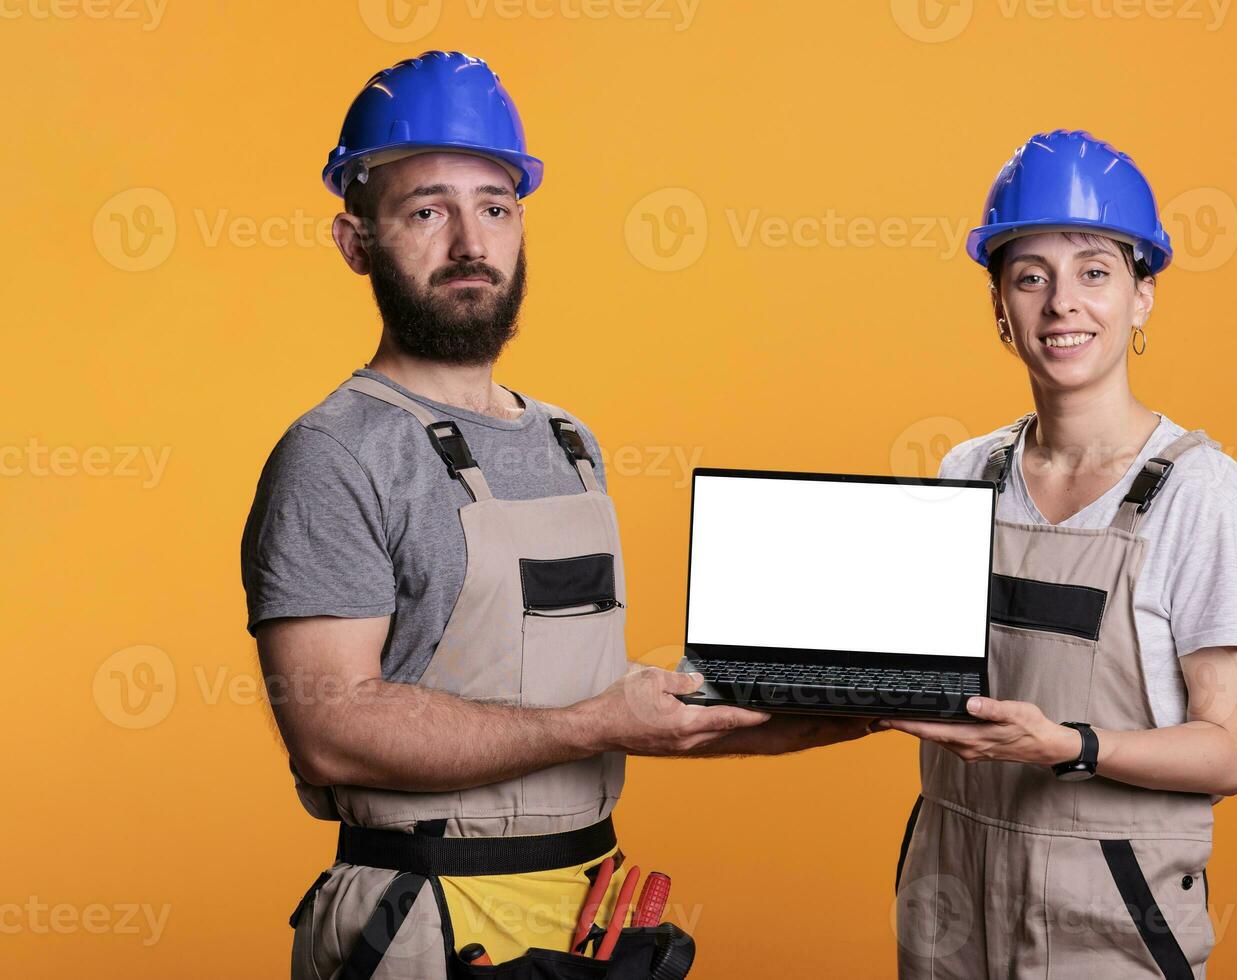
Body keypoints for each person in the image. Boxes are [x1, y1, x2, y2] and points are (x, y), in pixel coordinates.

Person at [241, 50, 864, 979]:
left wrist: (857, 704)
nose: (469, 242)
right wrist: (599, 725)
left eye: (495, 206)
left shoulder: (569, 440)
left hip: (587, 907)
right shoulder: (336, 453)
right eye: (427, 210)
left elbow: (602, 695)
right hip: (423, 920)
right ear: (355, 241)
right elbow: (330, 724)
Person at [882, 129, 1237, 979]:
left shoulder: (1199, 493)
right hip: (950, 893)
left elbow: (1229, 749)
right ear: (999, 307)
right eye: (1031, 277)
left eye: (1095, 272)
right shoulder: (965, 472)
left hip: (1110, 909)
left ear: (1142, 297)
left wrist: (1070, 745)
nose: (1063, 303)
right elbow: (920, 672)